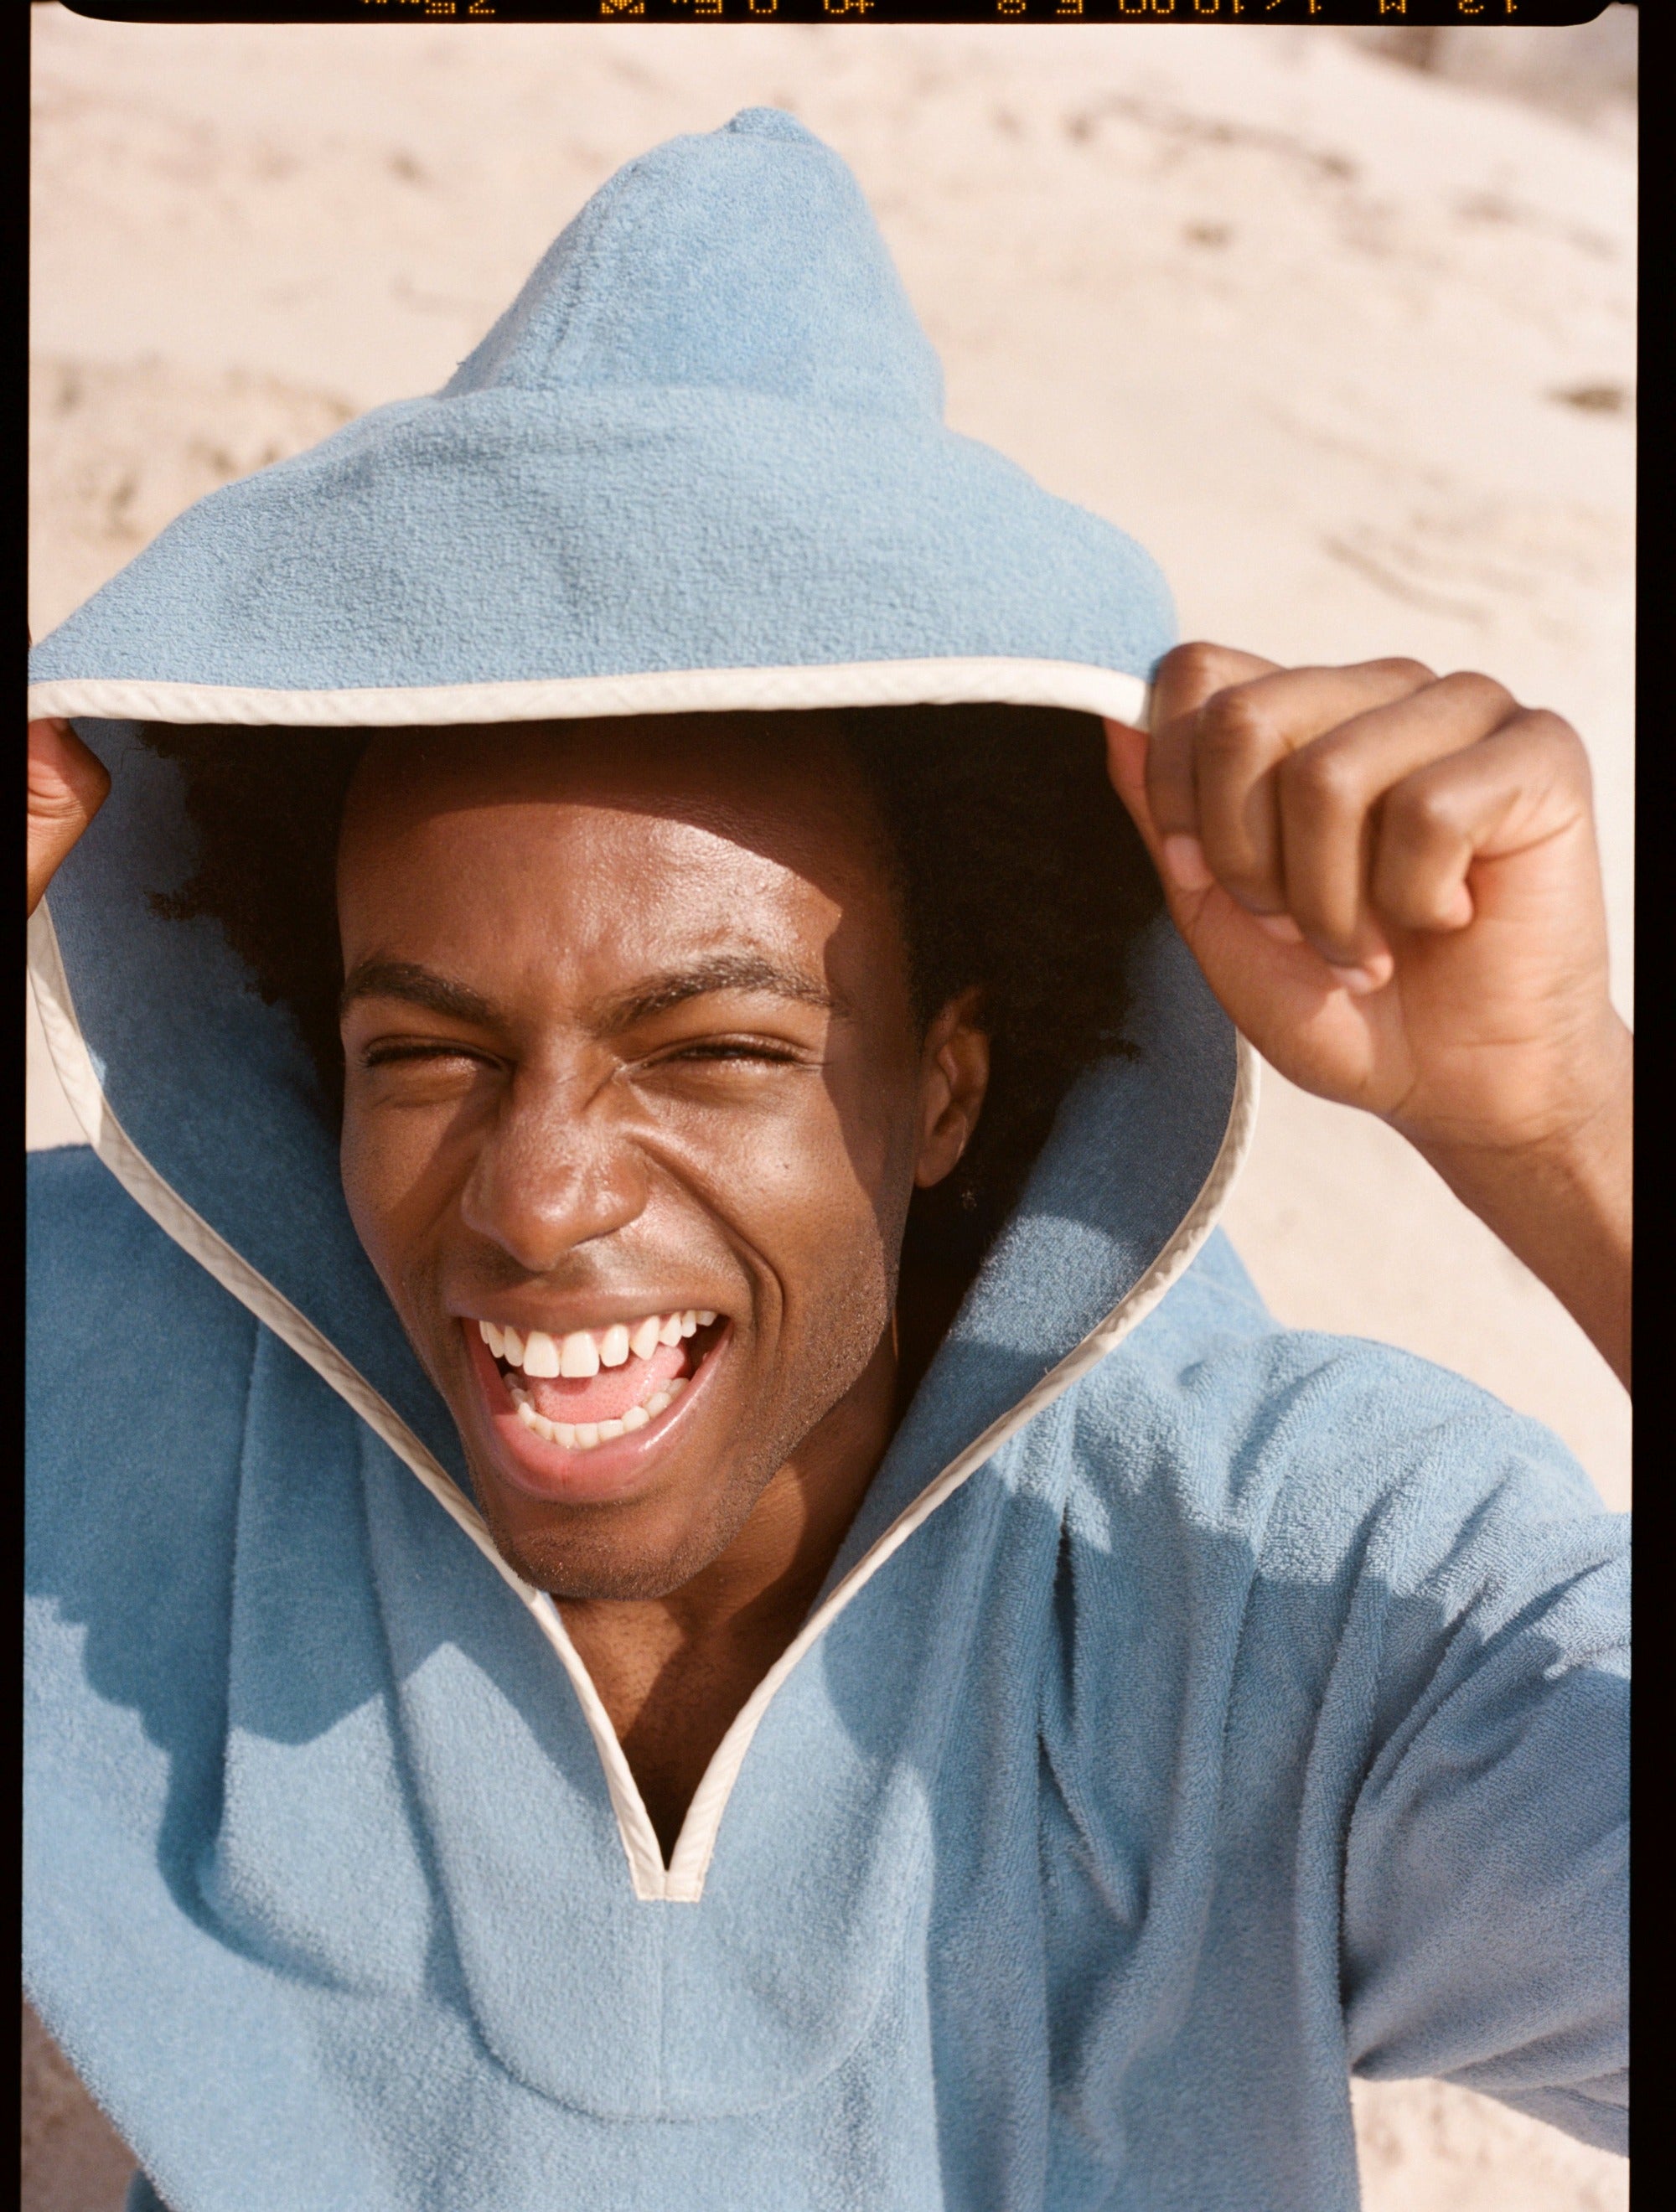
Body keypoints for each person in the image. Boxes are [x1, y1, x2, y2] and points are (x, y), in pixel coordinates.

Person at [25, 111, 1627, 2212]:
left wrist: (1566, 1121)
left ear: (944, 1087)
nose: (537, 1194)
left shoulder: (1271, 1589)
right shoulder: (95, 1390)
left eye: (712, 1047)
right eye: (425, 1049)